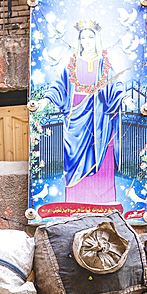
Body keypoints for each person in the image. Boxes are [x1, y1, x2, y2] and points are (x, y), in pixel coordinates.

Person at [36, 19, 126, 205]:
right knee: (73, 163)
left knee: (101, 159)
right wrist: (46, 100)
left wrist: (124, 98)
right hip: (75, 120)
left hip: (99, 119)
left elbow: (115, 86)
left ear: (97, 39)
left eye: (90, 37)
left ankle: (104, 204)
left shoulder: (104, 64)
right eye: (82, 37)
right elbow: (59, 87)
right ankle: (75, 203)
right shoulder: (72, 64)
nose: (86, 41)